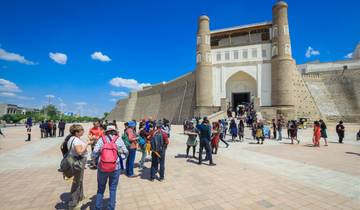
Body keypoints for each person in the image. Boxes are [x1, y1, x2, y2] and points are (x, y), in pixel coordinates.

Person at [92, 124, 128, 210]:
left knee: (100, 188)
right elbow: (126, 152)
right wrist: (121, 157)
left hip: (102, 167)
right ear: (115, 131)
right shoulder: (119, 139)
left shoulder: (102, 139)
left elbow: (94, 152)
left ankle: (98, 207)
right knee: (113, 188)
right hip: (115, 167)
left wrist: (95, 160)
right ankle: (111, 207)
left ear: (106, 131)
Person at [67, 124, 90, 210]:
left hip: (76, 161)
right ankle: (73, 203)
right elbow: (80, 152)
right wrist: (87, 143)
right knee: (77, 182)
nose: (83, 131)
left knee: (79, 180)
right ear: (76, 132)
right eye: (81, 130)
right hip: (78, 162)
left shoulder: (72, 139)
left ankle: (80, 196)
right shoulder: (76, 140)